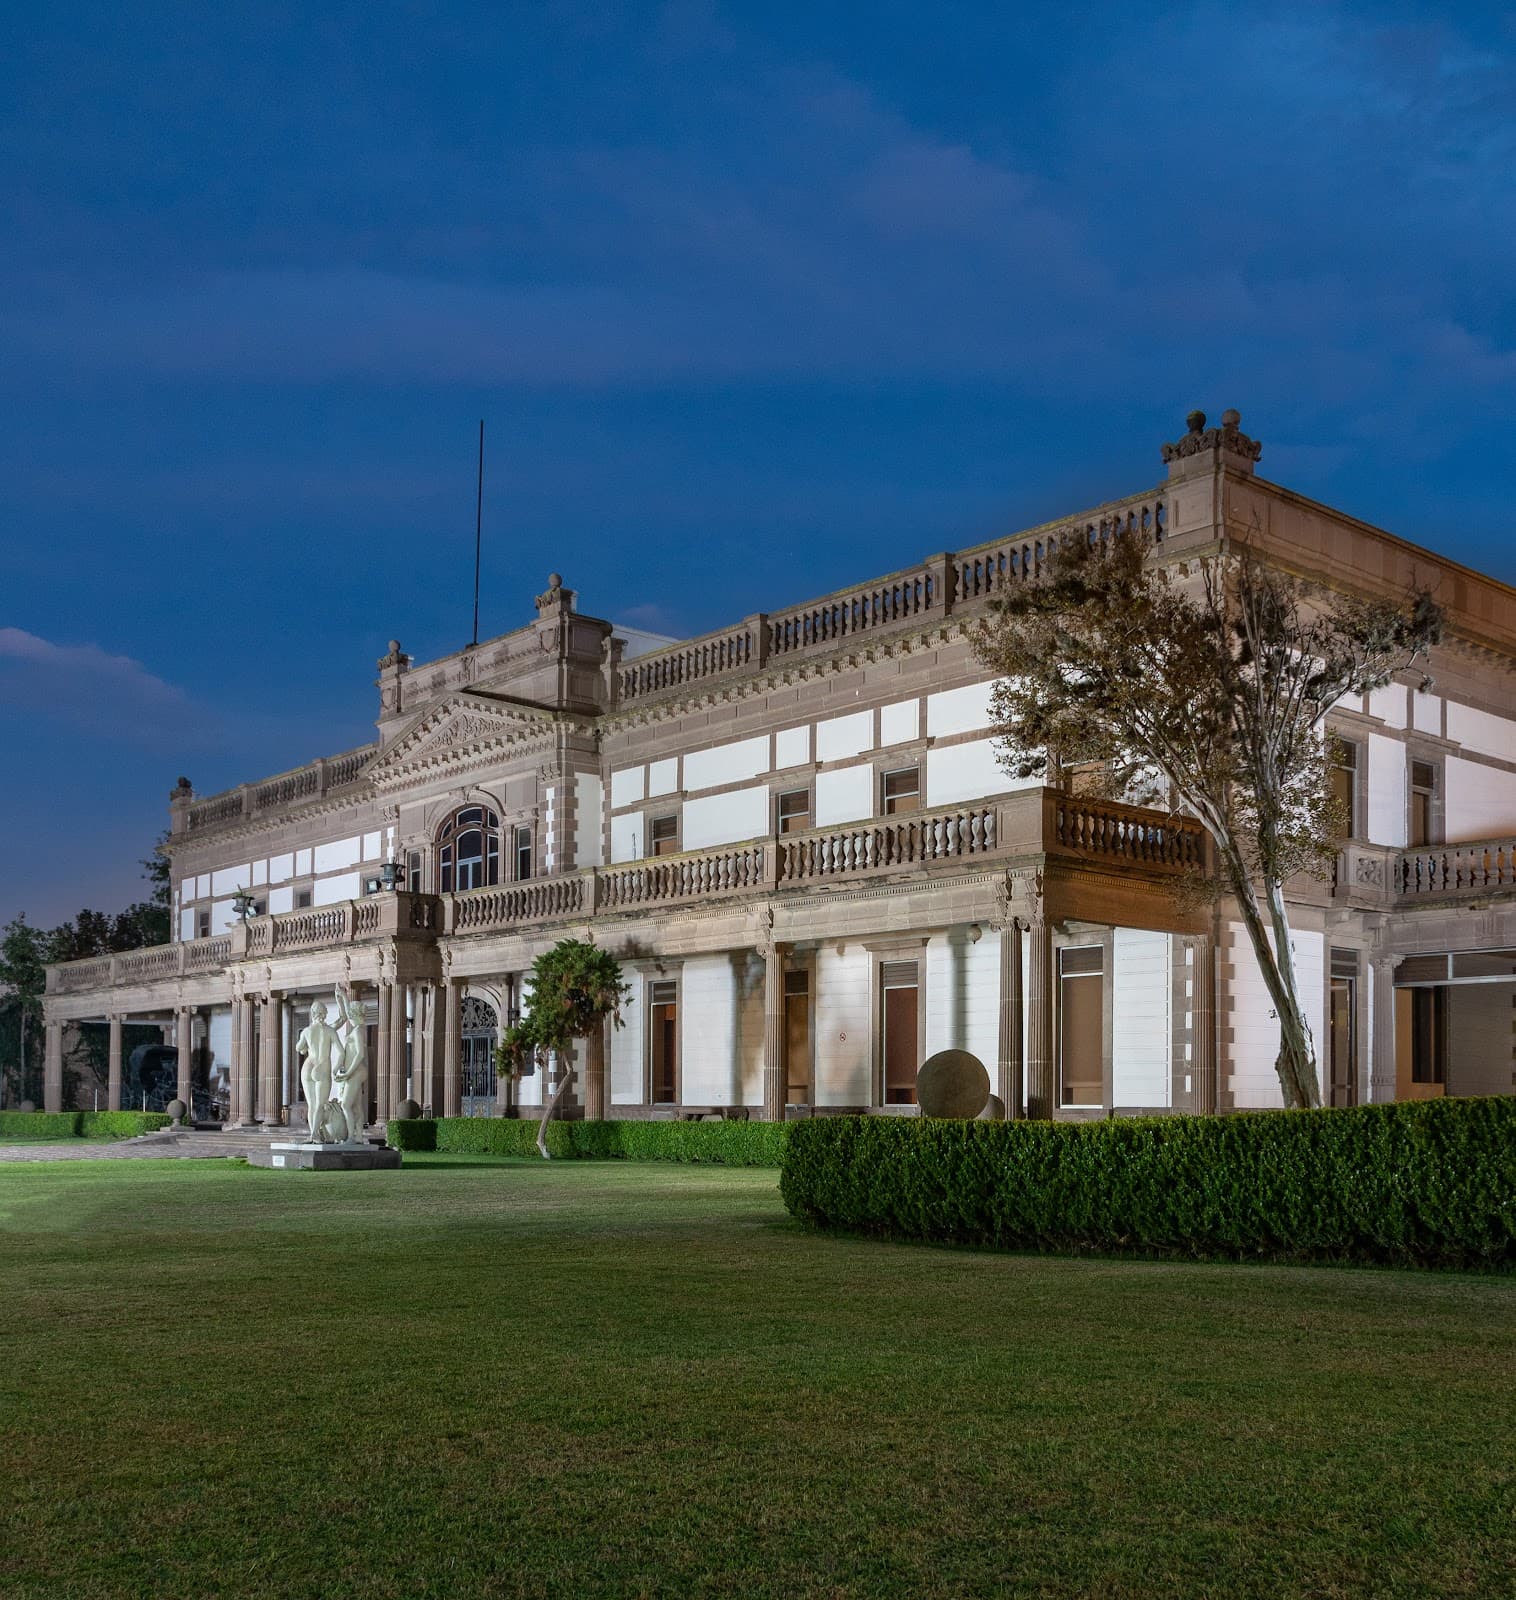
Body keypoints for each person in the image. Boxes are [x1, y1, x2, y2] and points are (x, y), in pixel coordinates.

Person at [294, 1000, 338, 1144]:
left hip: (308, 1066)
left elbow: (299, 1048)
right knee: (319, 1104)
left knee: (312, 1105)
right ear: (324, 1013)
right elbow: (340, 1050)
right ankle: (314, 1134)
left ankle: (313, 1134)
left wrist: (304, 1048)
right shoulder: (329, 1030)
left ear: (312, 1013)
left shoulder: (306, 1031)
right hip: (322, 1066)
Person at [332, 995, 369, 1143]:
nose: (348, 1016)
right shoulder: (358, 1028)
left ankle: (350, 1137)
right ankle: (359, 1136)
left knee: (346, 1105)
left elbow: (359, 1054)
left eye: (350, 1014)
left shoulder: (358, 1030)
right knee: (356, 1106)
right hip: (356, 1072)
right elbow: (348, 1012)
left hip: (356, 1072)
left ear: (354, 1014)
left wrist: (348, 1072)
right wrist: (341, 998)